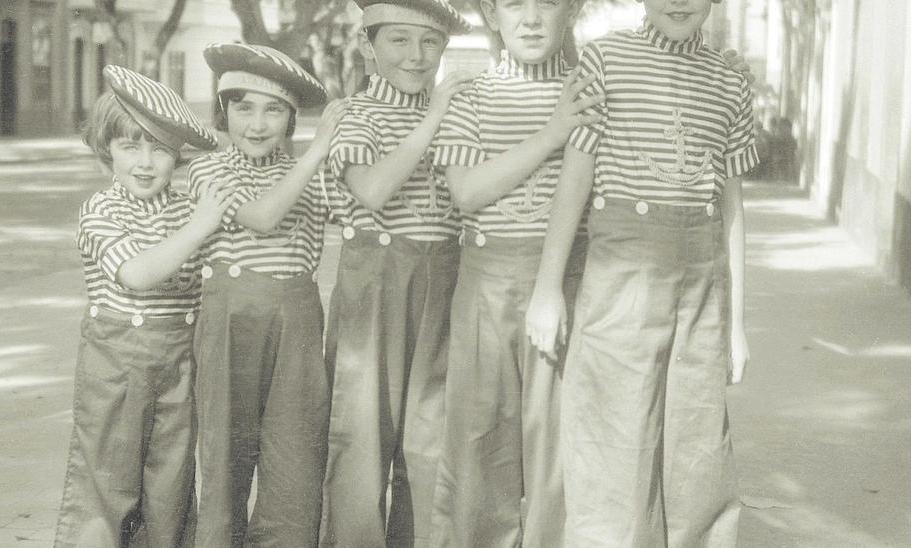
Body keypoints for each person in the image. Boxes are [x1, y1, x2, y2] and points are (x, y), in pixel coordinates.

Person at [525, 0, 758, 545]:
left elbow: (731, 208)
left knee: (696, 442)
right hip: (621, 279)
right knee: (615, 438)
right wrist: (547, 289)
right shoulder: (605, 61)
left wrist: (738, 323)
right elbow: (575, 181)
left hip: (701, 285)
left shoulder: (729, 80)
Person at [428, 0, 603, 545]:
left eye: (547, 3)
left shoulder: (590, 90)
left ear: (571, 12)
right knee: (482, 443)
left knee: (558, 448)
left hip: (567, 283)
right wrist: (553, 133)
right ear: (490, 12)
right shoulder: (472, 96)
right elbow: (467, 192)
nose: (530, 18)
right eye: (512, 3)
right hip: (487, 287)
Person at [54, 65, 233, 548]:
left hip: (181, 359)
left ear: (178, 155)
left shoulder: (185, 206)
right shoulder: (101, 209)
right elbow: (136, 274)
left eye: (160, 148)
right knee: (107, 481)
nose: (146, 161)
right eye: (130, 146)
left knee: (171, 482)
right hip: (117, 362)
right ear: (106, 148)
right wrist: (202, 225)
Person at [318, 0, 473, 544]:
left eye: (429, 42)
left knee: (432, 440)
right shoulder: (354, 113)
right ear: (368, 46)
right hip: (376, 283)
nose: (415, 56)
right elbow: (374, 190)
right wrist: (435, 118)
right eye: (399, 40)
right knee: (361, 438)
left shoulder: (458, 108)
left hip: (446, 278)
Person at [188, 42, 345, 547]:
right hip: (229, 323)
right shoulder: (208, 171)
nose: (257, 124)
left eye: (273, 109)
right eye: (243, 108)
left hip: (297, 323)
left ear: (291, 116)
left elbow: (364, 210)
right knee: (225, 455)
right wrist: (318, 151)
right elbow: (262, 216)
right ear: (224, 112)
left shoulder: (314, 177)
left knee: (296, 454)